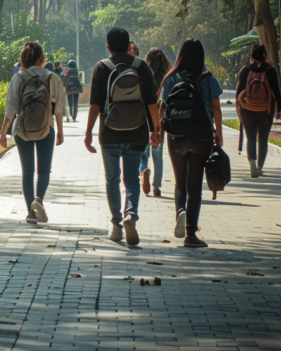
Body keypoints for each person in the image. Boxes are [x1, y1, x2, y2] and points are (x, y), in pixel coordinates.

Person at [85, 27, 160, 245]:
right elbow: (151, 103)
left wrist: (89, 132)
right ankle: (131, 216)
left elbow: (95, 105)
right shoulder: (141, 66)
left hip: (109, 133)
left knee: (112, 180)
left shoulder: (101, 68)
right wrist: (156, 129)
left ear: (108, 46)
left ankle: (116, 225)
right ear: (129, 45)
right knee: (131, 180)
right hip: (137, 132)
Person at [160, 39, 223, 248]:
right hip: (201, 136)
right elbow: (216, 109)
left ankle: (180, 211)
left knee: (180, 182)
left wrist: (159, 131)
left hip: (176, 137)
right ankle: (191, 234)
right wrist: (219, 134)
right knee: (194, 185)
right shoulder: (207, 78)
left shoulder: (171, 78)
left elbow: (163, 108)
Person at [0, 42, 66, 224]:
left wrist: (3, 133)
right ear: (41, 59)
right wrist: (60, 130)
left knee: (27, 172)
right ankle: (39, 200)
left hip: (22, 130)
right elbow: (58, 108)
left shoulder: (19, 78)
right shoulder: (52, 77)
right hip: (46, 128)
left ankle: (30, 212)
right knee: (44, 170)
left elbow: (10, 110)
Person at [236, 43, 281, 178]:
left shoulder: (245, 70)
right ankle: (260, 167)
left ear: (251, 56)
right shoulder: (270, 71)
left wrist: (240, 108)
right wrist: (278, 109)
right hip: (265, 110)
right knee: (262, 139)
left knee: (250, 137)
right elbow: (276, 91)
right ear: (264, 55)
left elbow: (239, 92)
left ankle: (251, 163)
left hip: (247, 109)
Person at [140, 48, 171, 197]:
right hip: (160, 119)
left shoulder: (144, 75)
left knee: (143, 153)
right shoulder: (168, 77)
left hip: (145, 119)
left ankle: (144, 170)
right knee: (158, 154)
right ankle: (156, 186)